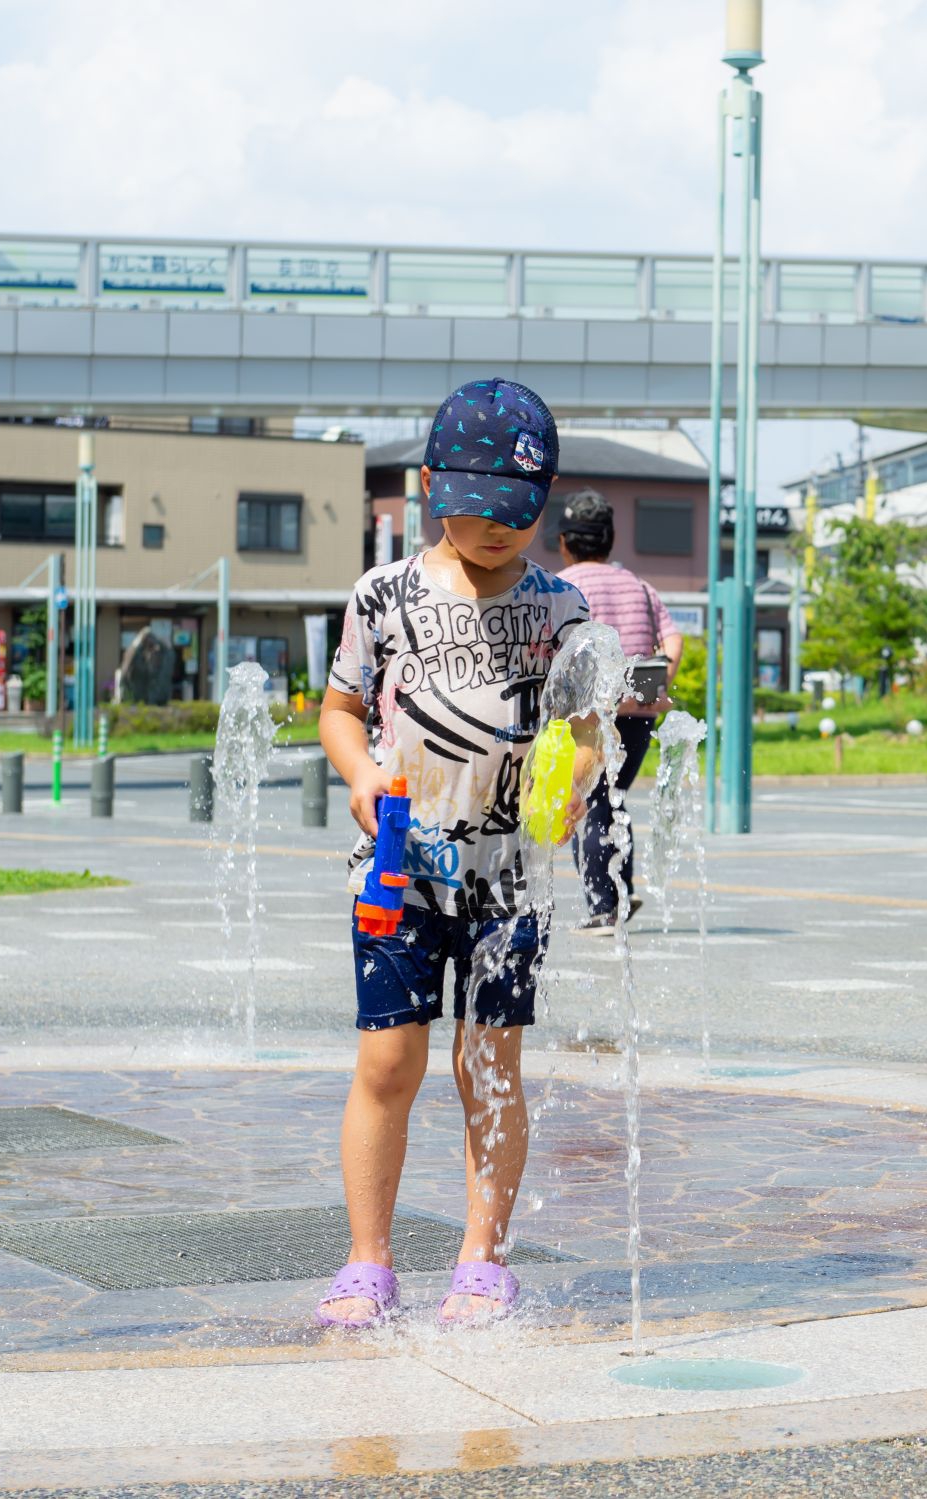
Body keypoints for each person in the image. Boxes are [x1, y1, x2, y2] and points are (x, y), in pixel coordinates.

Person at [313, 378, 600, 1328]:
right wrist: (358, 775)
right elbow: (342, 709)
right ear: (433, 485)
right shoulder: (383, 594)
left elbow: (586, 729)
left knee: (491, 1065)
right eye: (478, 510)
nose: (497, 532)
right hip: (398, 865)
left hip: (510, 878)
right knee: (387, 1064)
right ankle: (368, 1260)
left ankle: (482, 1255)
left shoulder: (562, 609)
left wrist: (577, 783)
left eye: (518, 515)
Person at [554, 491, 684, 933]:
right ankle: (621, 891)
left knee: (589, 801)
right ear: (610, 541)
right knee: (613, 798)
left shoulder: (564, 585)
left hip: (589, 713)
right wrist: (655, 686)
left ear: (565, 542)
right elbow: (673, 641)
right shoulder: (640, 586)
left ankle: (603, 906)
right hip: (638, 712)